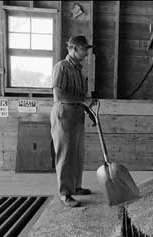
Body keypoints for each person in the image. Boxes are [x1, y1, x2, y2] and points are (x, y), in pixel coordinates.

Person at [50, 35, 96, 207]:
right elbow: (59, 95)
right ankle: (65, 193)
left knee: (77, 153)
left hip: (76, 115)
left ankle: (76, 187)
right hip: (64, 114)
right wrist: (83, 101)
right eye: (84, 49)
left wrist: (87, 105)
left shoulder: (77, 69)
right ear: (74, 49)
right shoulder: (62, 67)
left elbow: (78, 96)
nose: (86, 53)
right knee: (65, 155)